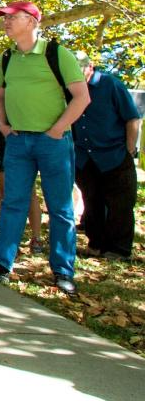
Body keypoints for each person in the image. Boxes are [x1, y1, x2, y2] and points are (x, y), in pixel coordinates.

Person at [0, 0, 90, 296]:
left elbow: (81, 97)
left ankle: (63, 271)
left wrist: (57, 130)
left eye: (12, 18)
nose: (6, 23)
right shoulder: (7, 58)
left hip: (54, 143)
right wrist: (5, 126)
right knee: (12, 202)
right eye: (4, 18)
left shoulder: (56, 54)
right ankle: (1, 263)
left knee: (60, 208)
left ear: (32, 22)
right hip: (18, 141)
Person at [71, 52, 141, 260]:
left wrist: (129, 149)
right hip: (84, 157)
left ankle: (119, 249)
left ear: (89, 67)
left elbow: (132, 118)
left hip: (114, 154)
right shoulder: (69, 89)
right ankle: (97, 245)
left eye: (78, 69)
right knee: (92, 202)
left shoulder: (111, 85)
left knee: (120, 204)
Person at [0, 53, 44, 252]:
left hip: (18, 138)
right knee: (4, 192)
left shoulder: (17, 85)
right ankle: (8, 237)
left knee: (29, 191)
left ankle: (36, 237)